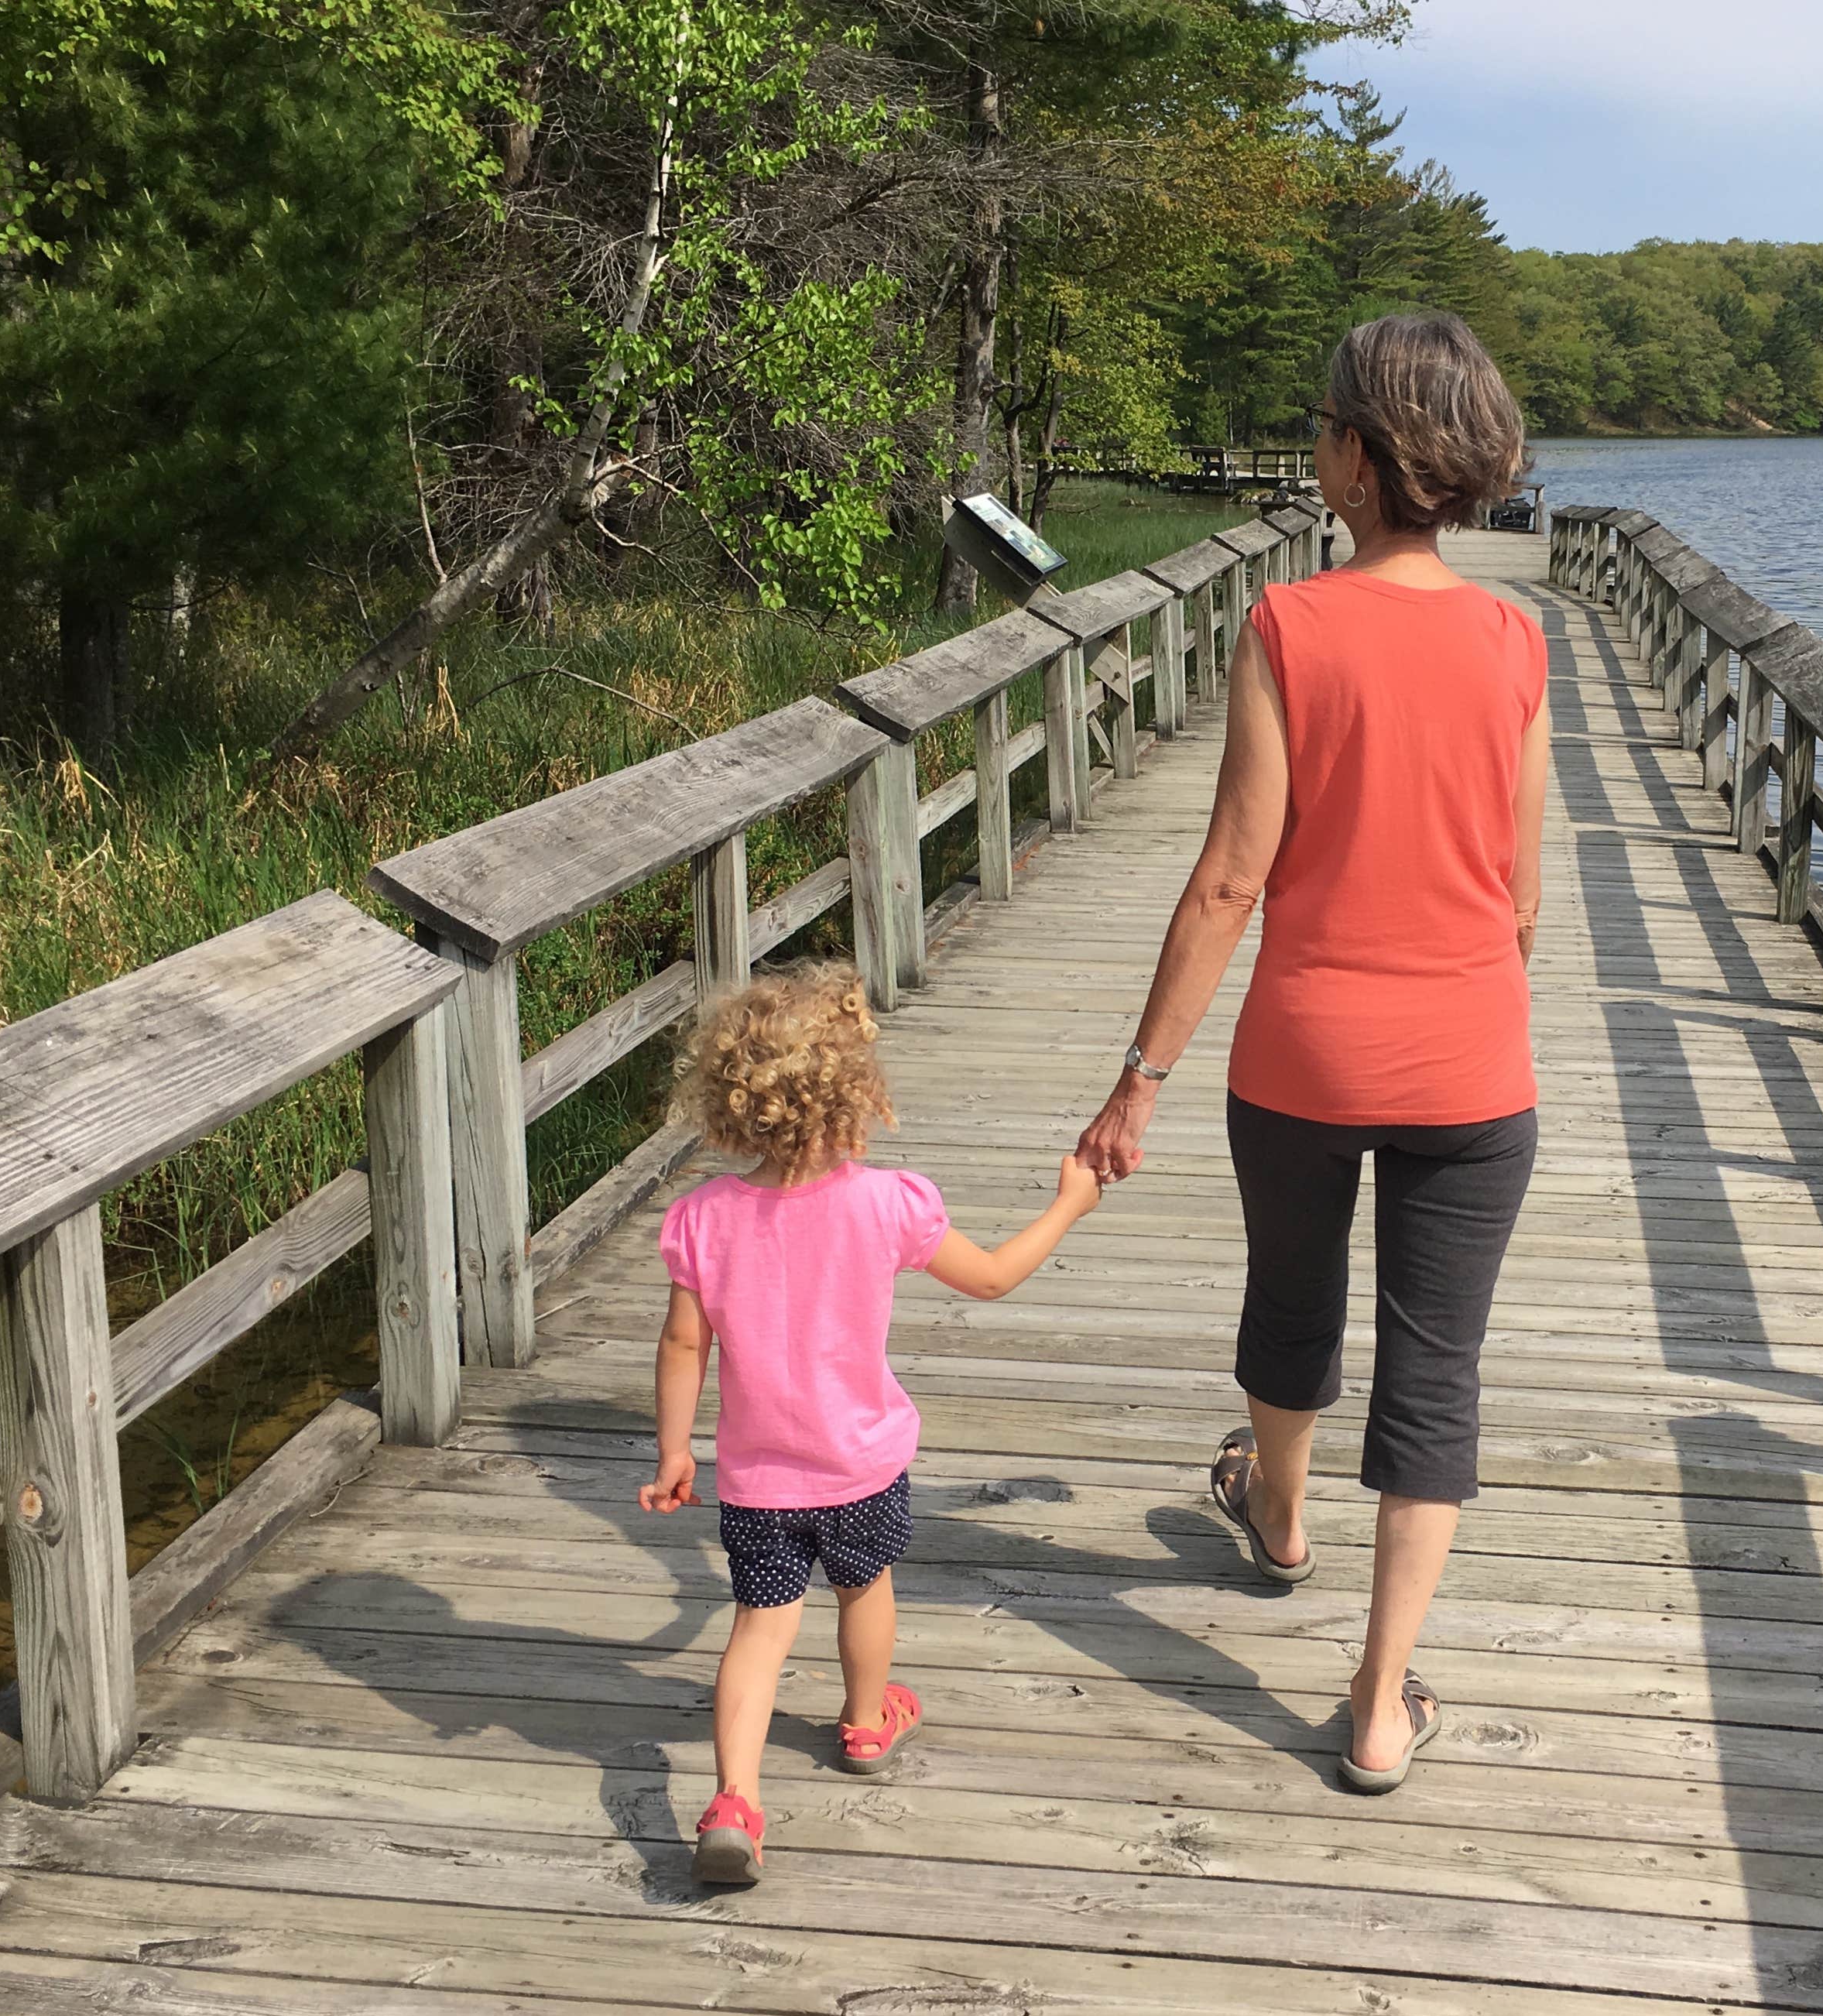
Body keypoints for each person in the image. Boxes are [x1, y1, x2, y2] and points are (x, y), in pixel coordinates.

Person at [1074, 311, 1548, 1795]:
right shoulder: (1516, 638)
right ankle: (1377, 1700)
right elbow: (1524, 893)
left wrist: (1138, 1075)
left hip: (1301, 1055)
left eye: (1325, 426)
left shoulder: (1290, 626)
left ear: (1354, 461)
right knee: (1437, 1372)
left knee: (1293, 1298)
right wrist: (1460, 1002)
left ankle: (1276, 1518)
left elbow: (1230, 877)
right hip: (1474, 1067)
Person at [639, 965, 1103, 1885]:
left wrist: (671, 1448)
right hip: (860, 1466)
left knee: (757, 1632)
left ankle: (734, 1796)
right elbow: (994, 1276)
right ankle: (864, 1717)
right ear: (852, 1089)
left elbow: (683, 1344)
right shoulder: (887, 1204)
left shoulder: (703, 1220)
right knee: (865, 1589)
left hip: (758, 1484)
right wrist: (1069, 1202)